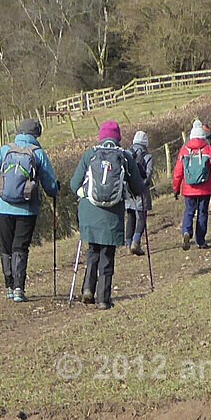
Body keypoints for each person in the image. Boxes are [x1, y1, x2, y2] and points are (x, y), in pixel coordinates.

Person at [70, 121, 145, 310]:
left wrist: (84, 193)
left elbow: (73, 184)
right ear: (118, 138)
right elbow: (138, 188)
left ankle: (88, 289)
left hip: (90, 211)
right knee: (107, 254)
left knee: (92, 250)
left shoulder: (90, 155)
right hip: (113, 213)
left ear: (101, 136)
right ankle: (103, 298)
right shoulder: (125, 157)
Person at [0, 118, 59, 303]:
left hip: (3, 207)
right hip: (27, 210)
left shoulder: (5, 150)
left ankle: (9, 287)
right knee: (20, 248)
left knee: (7, 247)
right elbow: (50, 184)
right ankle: (19, 288)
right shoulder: (38, 153)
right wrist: (56, 191)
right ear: (36, 134)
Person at [173, 120, 211, 250]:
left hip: (188, 189)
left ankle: (186, 231)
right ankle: (200, 241)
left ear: (191, 136)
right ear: (203, 136)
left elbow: (178, 172)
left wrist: (176, 189)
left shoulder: (184, 150)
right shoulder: (209, 150)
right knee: (202, 213)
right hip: (205, 189)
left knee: (189, 211)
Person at [125, 131, 154, 256]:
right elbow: (148, 174)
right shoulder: (148, 157)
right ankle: (136, 242)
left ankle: (128, 244)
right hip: (141, 191)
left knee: (130, 217)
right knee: (141, 217)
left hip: (128, 191)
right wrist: (142, 185)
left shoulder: (126, 154)